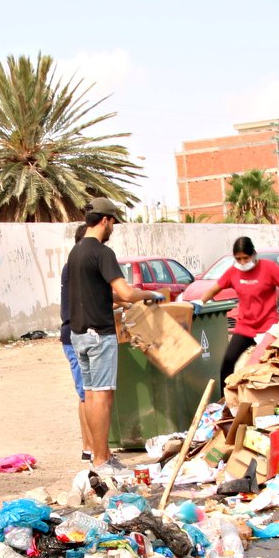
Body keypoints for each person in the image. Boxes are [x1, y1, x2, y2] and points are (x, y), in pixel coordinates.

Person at [65, 197, 165, 477]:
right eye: (113, 223)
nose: (112, 229)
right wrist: (148, 294)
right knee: (102, 397)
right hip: (99, 334)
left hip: (79, 334)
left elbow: (96, 294)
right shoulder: (101, 252)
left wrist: (121, 301)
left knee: (90, 395)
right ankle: (101, 460)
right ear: (105, 220)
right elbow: (126, 292)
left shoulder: (76, 253)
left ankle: (99, 456)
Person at [190, 236, 279, 390]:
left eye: (245, 258)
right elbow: (215, 288)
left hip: (267, 326)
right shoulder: (233, 272)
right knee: (227, 361)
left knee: (267, 365)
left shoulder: (269, 268)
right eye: (238, 259)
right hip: (245, 326)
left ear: (253, 254)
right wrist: (200, 301)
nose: (242, 263)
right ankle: (225, 401)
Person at [60, 224, 89, 460]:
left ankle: (90, 447)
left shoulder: (71, 266)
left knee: (86, 393)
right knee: (87, 394)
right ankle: (90, 447)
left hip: (73, 334)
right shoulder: (76, 267)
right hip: (75, 335)